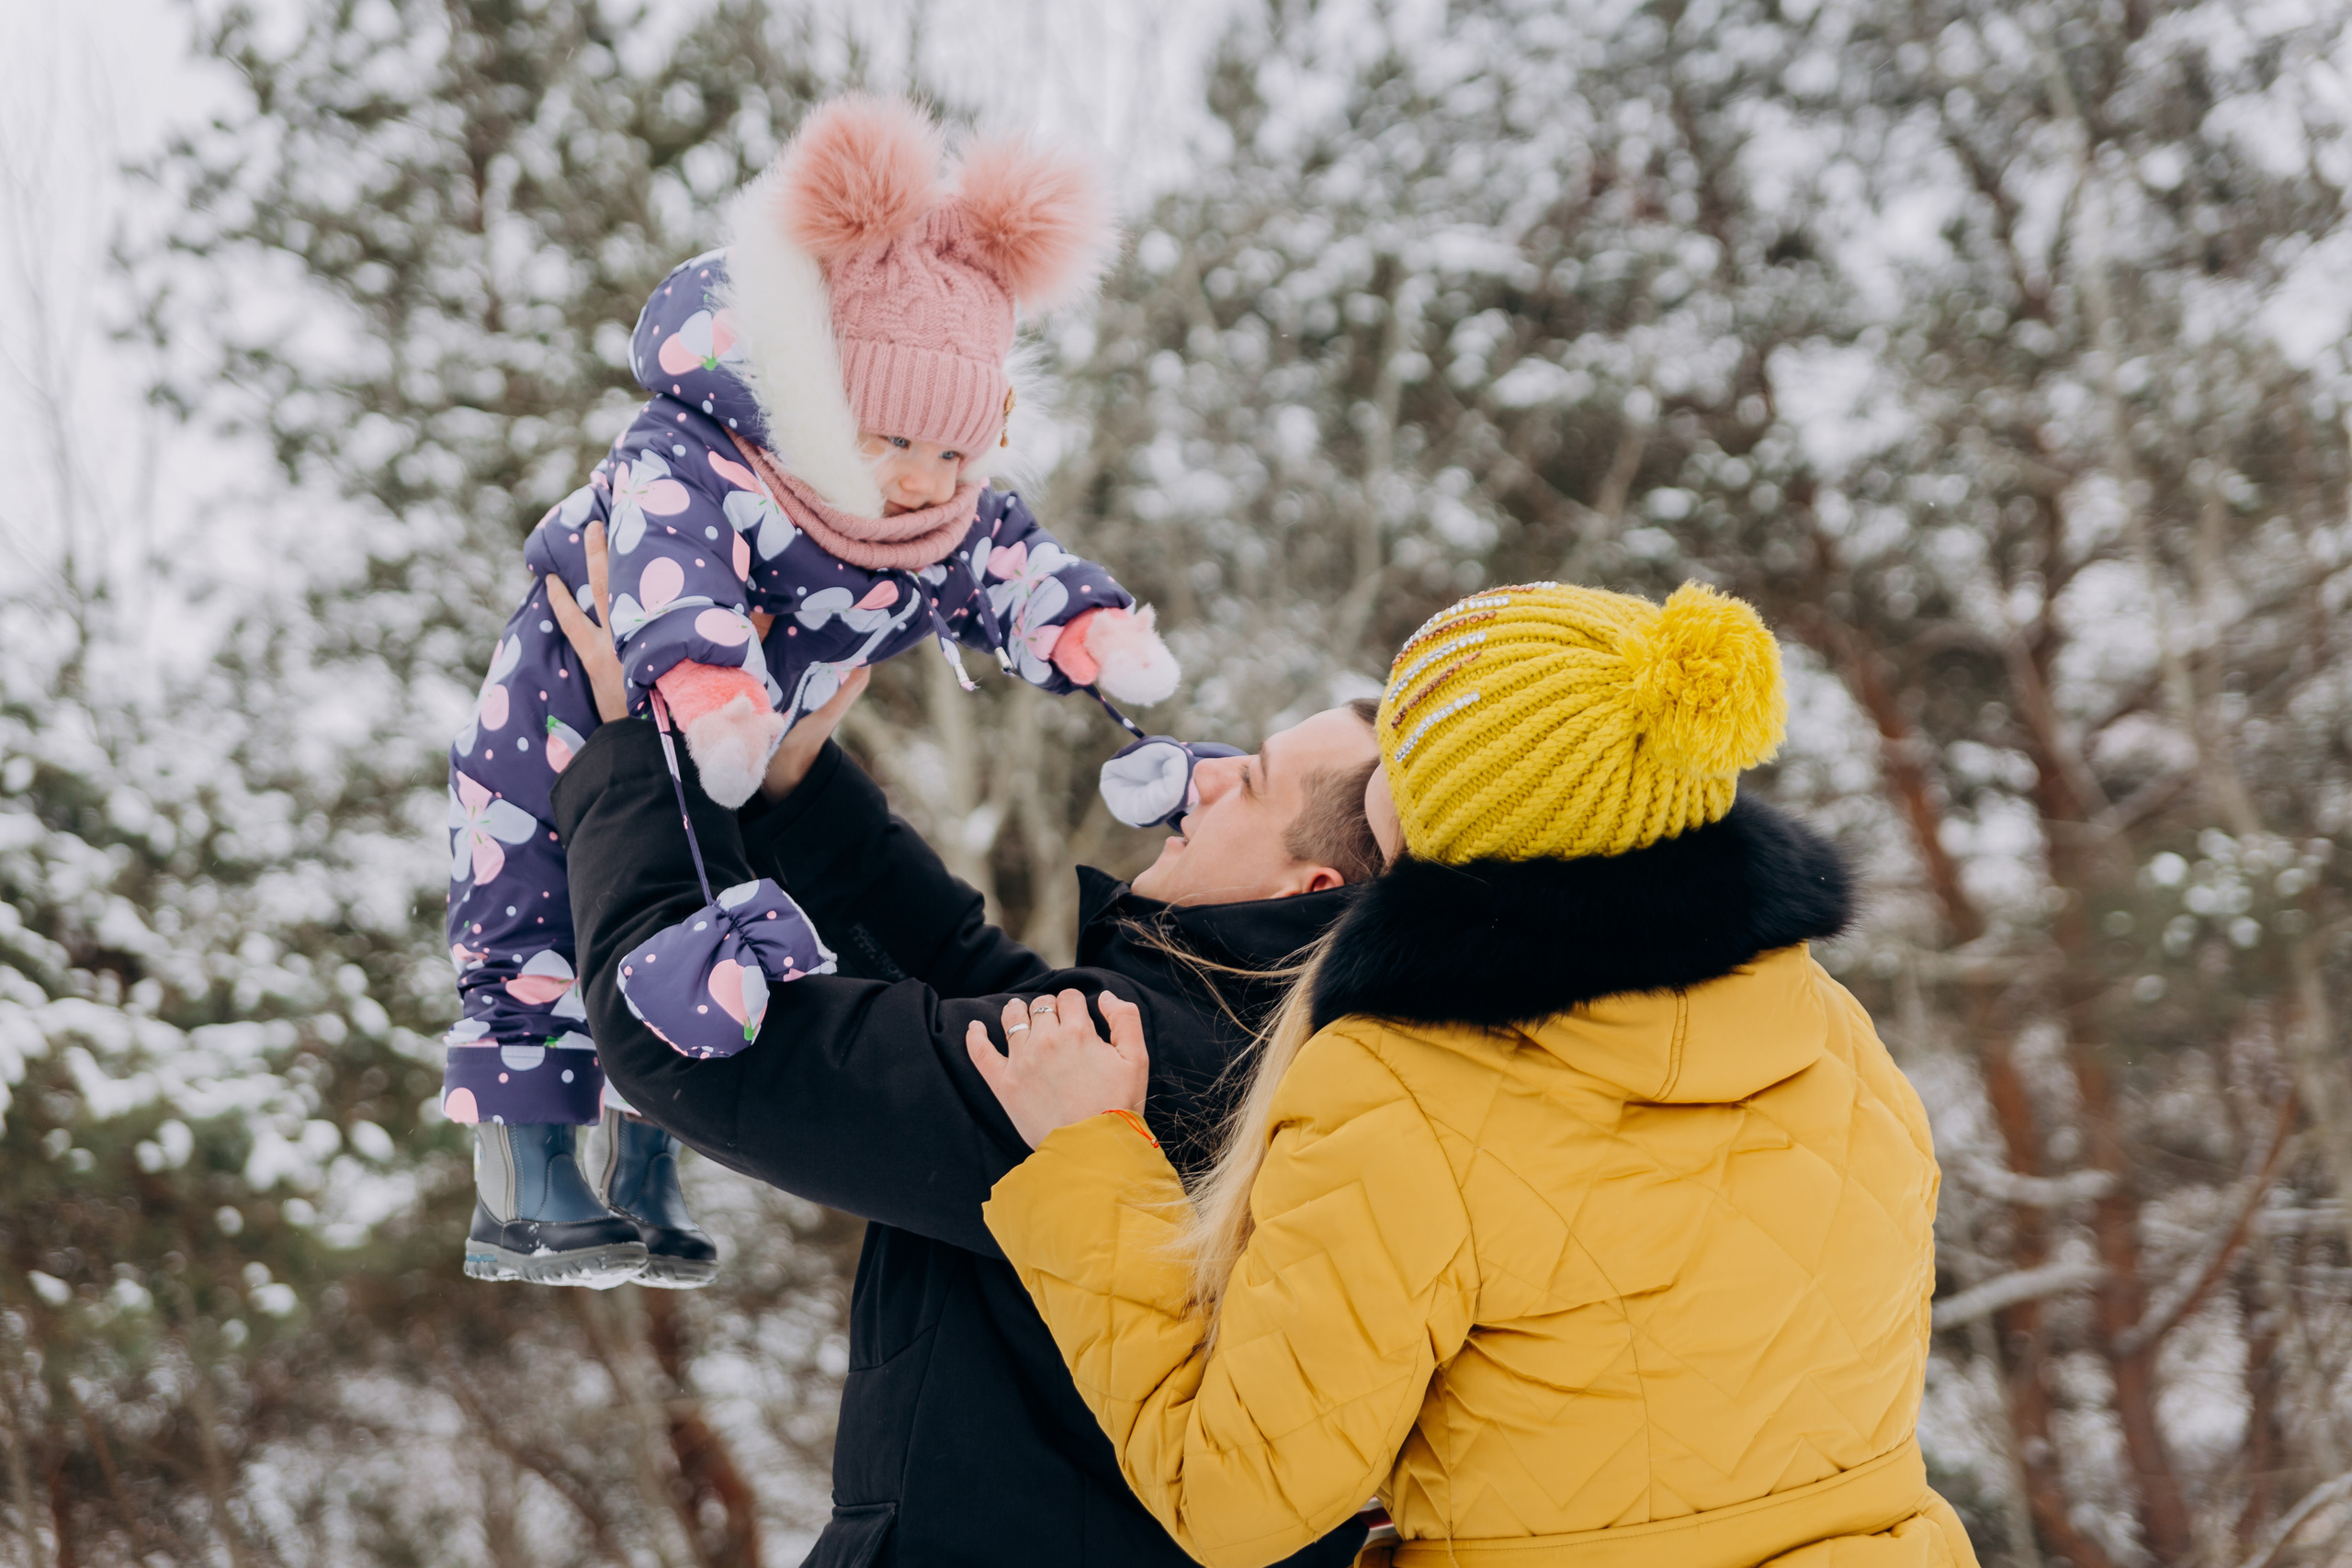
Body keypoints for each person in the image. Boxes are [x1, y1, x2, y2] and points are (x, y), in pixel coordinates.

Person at [975, 581, 1981, 1568]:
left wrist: (1088, 1156)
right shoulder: (1826, 1026)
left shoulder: (1405, 1088)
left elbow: (1234, 1499)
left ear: (1449, 807)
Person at [440, 94, 1178, 1288]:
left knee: (701, 947)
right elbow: (666, 560)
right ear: (824, 399)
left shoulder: (941, 510)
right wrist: (709, 680)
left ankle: (643, 1183)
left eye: (953, 451)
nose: (919, 480)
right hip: (572, 705)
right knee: (533, 929)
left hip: (721, 760)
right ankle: (528, 1185)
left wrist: (1087, 630)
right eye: (892, 442)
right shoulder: (701, 454)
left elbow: (1007, 564)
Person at [541, 544, 1380, 1566]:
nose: (1196, 776)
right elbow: (973, 987)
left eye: (1248, 781)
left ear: (1311, 890)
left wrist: (641, 760)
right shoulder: (1286, 1067)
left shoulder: (1154, 1063)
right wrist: (794, 795)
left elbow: (702, 1046)